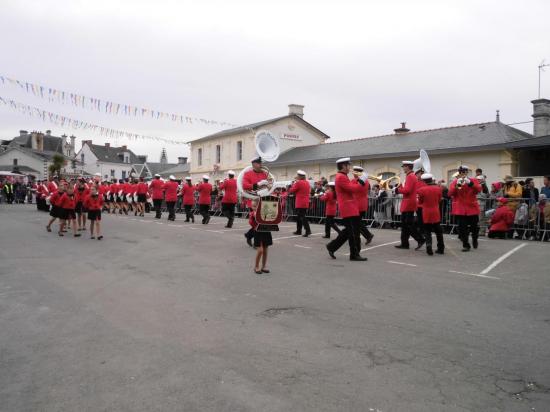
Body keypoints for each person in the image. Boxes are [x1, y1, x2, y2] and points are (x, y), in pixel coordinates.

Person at [326, 157, 369, 261]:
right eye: (348, 165)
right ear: (343, 166)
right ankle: (354, 254)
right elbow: (352, 189)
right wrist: (362, 181)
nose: (349, 167)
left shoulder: (343, 176)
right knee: (353, 232)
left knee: (349, 231)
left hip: (350, 206)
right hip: (348, 207)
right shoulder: (341, 177)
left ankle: (332, 246)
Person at [448, 165, 481, 251]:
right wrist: (458, 185)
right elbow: (450, 193)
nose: (462, 174)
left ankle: (474, 239)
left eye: (464, 172)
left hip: (472, 208)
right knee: (462, 228)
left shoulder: (473, 180)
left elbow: (478, 190)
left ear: (467, 172)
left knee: (474, 227)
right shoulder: (455, 182)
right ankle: (466, 245)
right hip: (461, 209)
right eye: (461, 172)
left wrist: (470, 183)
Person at [394, 160, 425, 250]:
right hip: (408, 202)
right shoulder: (410, 176)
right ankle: (404, 243)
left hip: (409, 203)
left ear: (408, 167)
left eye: (404, 166)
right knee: (404, 224)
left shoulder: (411, 176)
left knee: (408, 224)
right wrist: (400, 187)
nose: (403, 168)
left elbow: (407, 191)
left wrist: (398, 190)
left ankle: (420, 239)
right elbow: (407, 189)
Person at [417, 173, 444, 255]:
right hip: (436, 211)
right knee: (438, 231)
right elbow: (439, 200)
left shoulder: (421, 189)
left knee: (427, 230)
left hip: (426, 212)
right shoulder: (438, 188)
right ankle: (441, 248)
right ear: (431, 179)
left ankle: (429, 245)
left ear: (424, 181)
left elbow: (420, 201)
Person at [352, 166, 374, 244]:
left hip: (357, 204)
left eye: (354, 171)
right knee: (357, 222)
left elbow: (351, 189)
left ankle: (367, 235)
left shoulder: (355, 181)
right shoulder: (366, 181)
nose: (353, 173)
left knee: (356, 223)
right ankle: (367, 235)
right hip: (363, 203)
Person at [251, 198, 272, 274]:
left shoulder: (265, 211)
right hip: (258, 232)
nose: (253, 208)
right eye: (253, 206)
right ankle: (256, 266)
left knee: (265, 250)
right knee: (260, 250)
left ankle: (264, 266)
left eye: (255, 206)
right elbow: (252, 222)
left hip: (266, 231)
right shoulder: (253, 213)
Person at [289, 170, 312, 237]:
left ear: (300, 176)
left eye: (298, 176)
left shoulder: (298, 183)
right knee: (299, 217)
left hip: (300, 202)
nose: (297, 177)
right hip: (305, 202)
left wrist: (294, 184)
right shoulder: (307, 182)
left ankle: (308, 230)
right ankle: (299, 230)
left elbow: (292, 190)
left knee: (302, 217)